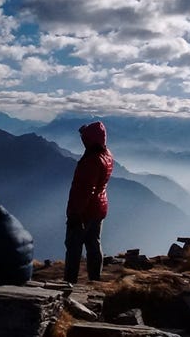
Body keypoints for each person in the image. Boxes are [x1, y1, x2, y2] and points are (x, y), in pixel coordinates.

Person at [64, 121, 114, 283]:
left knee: (74, 246)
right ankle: (95, 279)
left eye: (85, 138)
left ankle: (69, 282)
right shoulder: (107, 155)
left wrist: (75, 213)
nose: (83, 140)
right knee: (94, 244)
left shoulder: (91, 160)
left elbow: (85, 190)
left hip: (85, 211)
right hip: (99, 207)